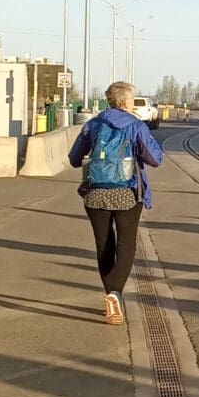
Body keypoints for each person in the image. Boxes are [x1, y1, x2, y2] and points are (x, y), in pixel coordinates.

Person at [67, 81, 165, 325]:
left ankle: (110, 295)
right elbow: (155, 159)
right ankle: (115, 294)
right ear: (126, 102)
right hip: (128, 193)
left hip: (95, 194)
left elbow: (74, 159)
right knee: (126, 245)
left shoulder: (93, 125)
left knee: (104, 245)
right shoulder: (135, 126)